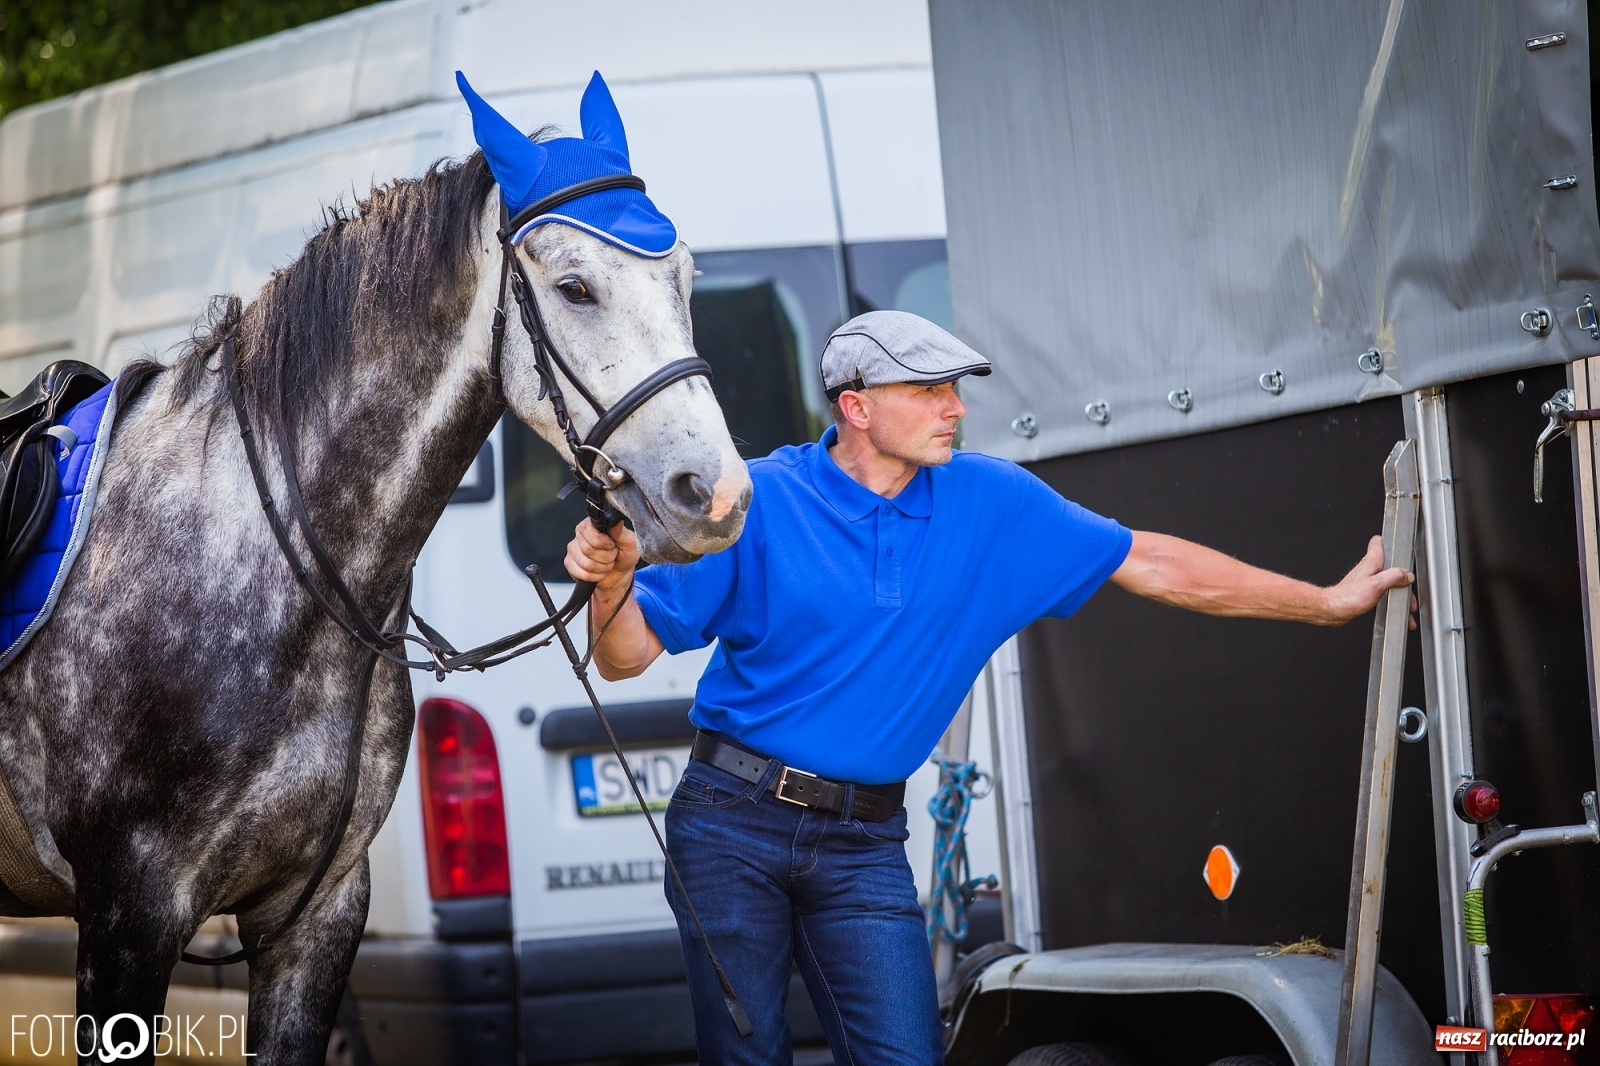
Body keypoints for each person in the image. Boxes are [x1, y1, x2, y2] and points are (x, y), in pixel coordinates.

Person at [563, 310, 1412, 1065]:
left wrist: (1325, 604)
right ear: (856, 406)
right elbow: (626, 656)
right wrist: (611, 580)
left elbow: (1154, 563)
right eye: (929, 389)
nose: (955, 408)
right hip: (731, 821)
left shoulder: (994, 502)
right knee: (748, 1054)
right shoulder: (757, 498)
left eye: (955, 389)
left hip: (864, 842)